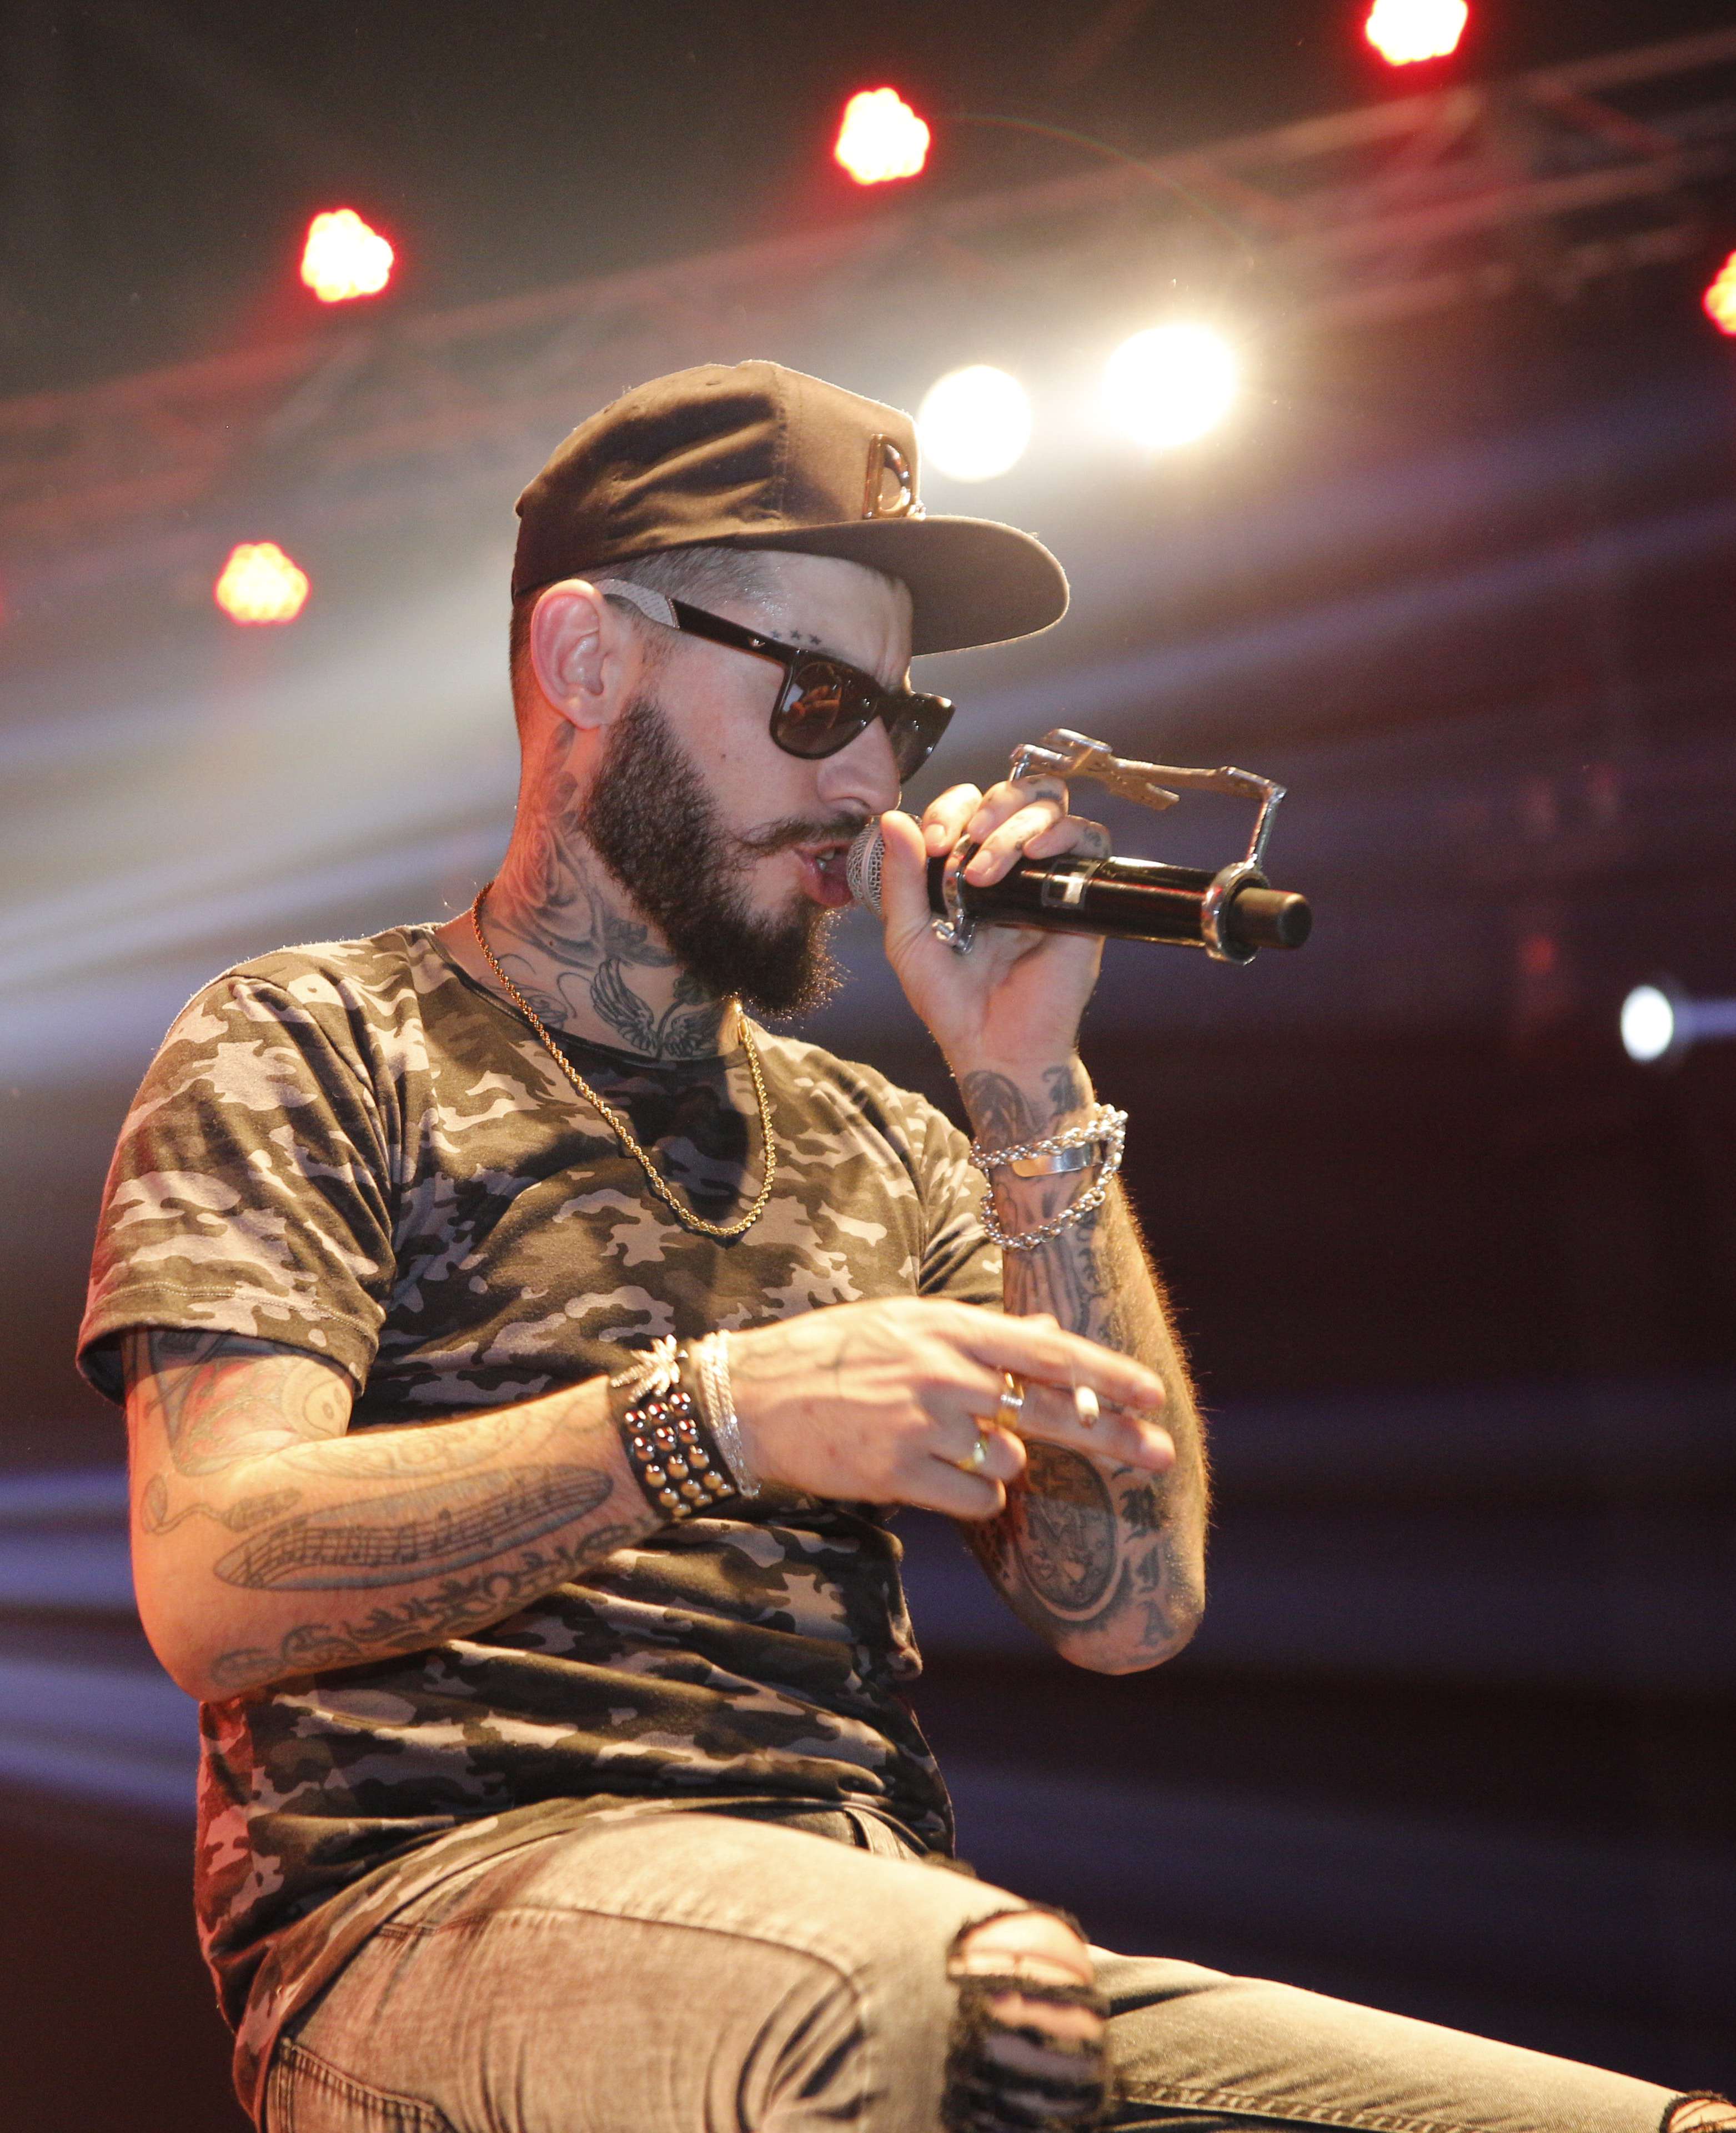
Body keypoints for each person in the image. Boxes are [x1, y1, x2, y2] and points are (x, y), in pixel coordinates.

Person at [80, 362, 1726, 2133]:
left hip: (886, 1918)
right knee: (941, 2002)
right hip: (435, 1918)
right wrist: (710, 1416)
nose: (872, 785)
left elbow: (1128, 1607)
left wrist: (1025, 1083)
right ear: (586, 661)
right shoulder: (313, 1040)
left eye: (902, 723)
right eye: (810, 704)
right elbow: (213, 1574)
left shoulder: (888, 1143)